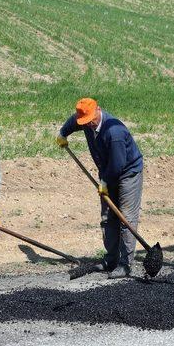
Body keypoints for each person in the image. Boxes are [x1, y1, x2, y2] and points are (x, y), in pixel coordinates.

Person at [56, 98, 144, 278]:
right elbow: (74, 121)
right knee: (107, 217)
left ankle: (126, 264)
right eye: (84, 122)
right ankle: (111, 259)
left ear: (99, 110)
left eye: (90, 120)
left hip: (128, 173)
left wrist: (105, 182)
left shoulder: (115, 132)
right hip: (107, 171)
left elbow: (118, 165)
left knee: (126, 219)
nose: (88, 124)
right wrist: (63, 134)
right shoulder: (86, 121)